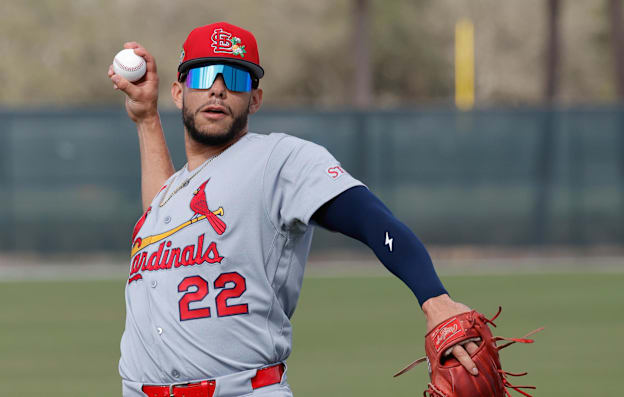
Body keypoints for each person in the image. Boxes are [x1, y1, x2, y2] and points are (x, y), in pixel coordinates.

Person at [108, 22, 478, 397]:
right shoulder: (173, 193)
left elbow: (370, 218)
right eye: (203, 75)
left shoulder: (278, 160)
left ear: (255, 99)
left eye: (236, 78)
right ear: (178, 92)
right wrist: (146, 118)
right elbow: (163, 212)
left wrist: (434, 298)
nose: (217, 88)